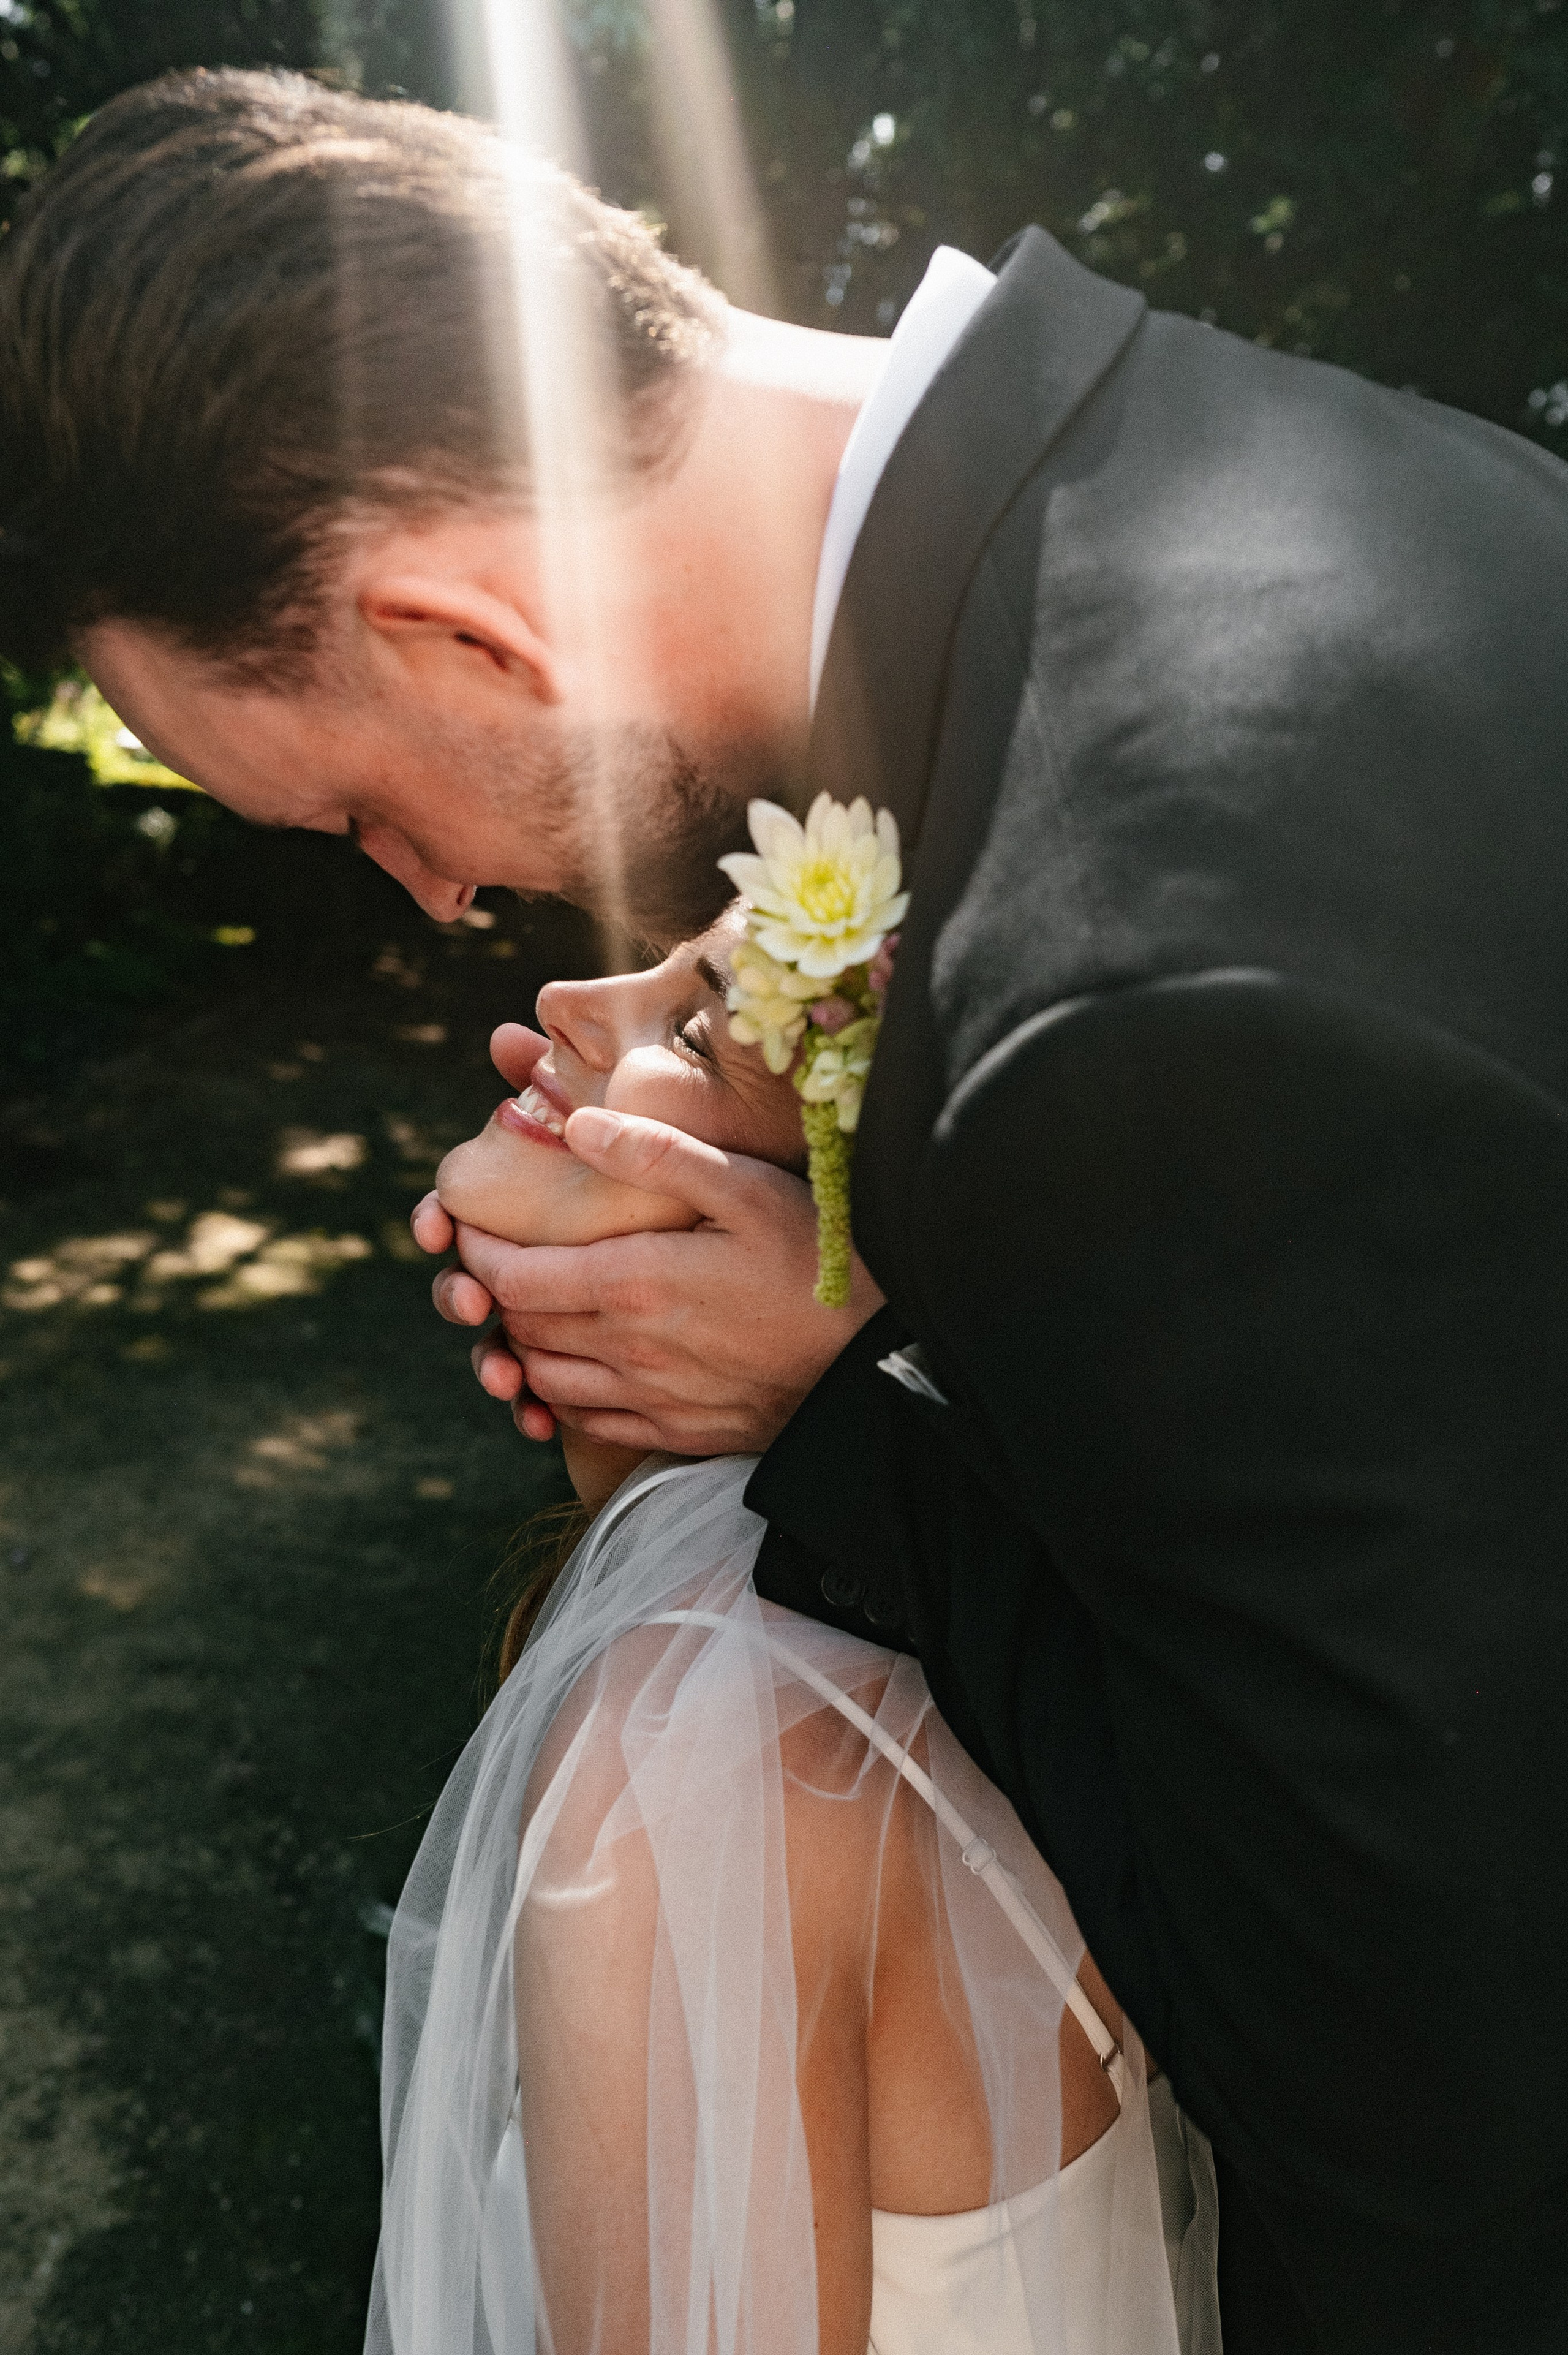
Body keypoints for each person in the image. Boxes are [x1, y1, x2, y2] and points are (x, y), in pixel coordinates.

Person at [6, 66, 1568, 2351]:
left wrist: (841, 1419)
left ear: (467, 633)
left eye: (353, 808)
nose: (438, 891)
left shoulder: (1125, 997)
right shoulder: (1305, 471)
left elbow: (1421, 2088)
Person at [371, 923, 1218, 2354]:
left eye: (695, 1036)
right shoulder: (1011, 1621)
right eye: (649, 958)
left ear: (805, 1248)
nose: (560, 1003)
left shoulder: (696, 1765)